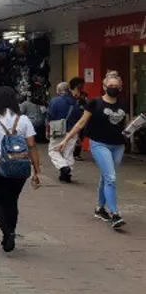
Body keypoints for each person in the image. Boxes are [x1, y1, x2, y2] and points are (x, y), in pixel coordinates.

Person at [57, 71, 128, 229]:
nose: (113, 88)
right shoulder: (95, 103)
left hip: (118, 145)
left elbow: (125, 124)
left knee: (106, 176)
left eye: (116, 86)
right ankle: (114, 214)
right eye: (110, 86)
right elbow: (81, 123)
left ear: (121, 87)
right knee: (111, 177)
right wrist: (66, 140)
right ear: (104, 86)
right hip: (99, 144)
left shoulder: (123, 103)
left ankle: (100, 208)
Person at [0, 86, 41, 253]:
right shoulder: (24, 120)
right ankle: (11, 230)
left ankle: (7, 232)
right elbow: (32, 146)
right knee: (12, 200)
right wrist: (36, 170)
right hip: (21, 164)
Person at [46, 81, 79, 183]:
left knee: (53, 150)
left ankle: (63, 167)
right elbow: (79, 117)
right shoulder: (74, 101)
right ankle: (67, 174)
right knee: (68, 152)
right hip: (72, 130)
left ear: (58, 91)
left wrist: (47, 130)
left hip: (57, 130)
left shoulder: (54, 101)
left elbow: (49, 117)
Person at [69, 77, 88, 161]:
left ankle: (76, 153)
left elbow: (86, 104)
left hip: (81, 116)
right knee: (72, 135)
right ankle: (69, 152)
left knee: (81, 135)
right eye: (81, 84)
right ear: (77, 84)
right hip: (72, 117)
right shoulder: (69, 94)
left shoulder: (83, 94)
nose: (83, 86)